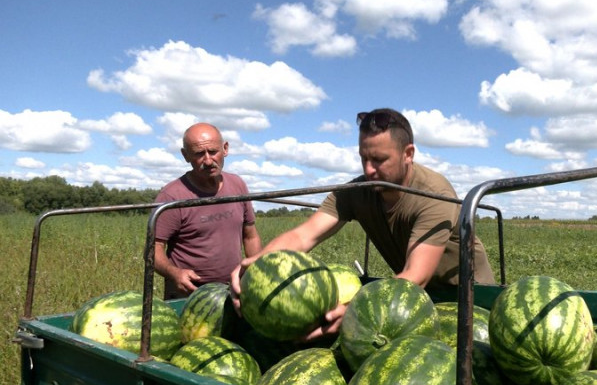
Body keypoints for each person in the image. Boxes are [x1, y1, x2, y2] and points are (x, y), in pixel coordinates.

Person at [231, 108, 495, 338]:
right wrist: (258, 262)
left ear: (408, 153)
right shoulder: (360, 190)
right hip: (406, 298)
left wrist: (355, 312)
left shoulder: (433, 193)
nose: (369, 170)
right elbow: (304, 236)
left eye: (379, 160)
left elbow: (416, 276)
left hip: (467, 298)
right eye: (363, 158)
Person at [154, 122, 262, 299]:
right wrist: (174, 273)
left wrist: (257, 273)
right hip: (189, 293)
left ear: (225, 148)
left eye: (213, 152)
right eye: (199, 154)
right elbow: (153, 249)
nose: (208, 160)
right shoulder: (172, 196)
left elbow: (250, 235)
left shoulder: (238, 185)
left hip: (233, 289)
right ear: (185, 155)